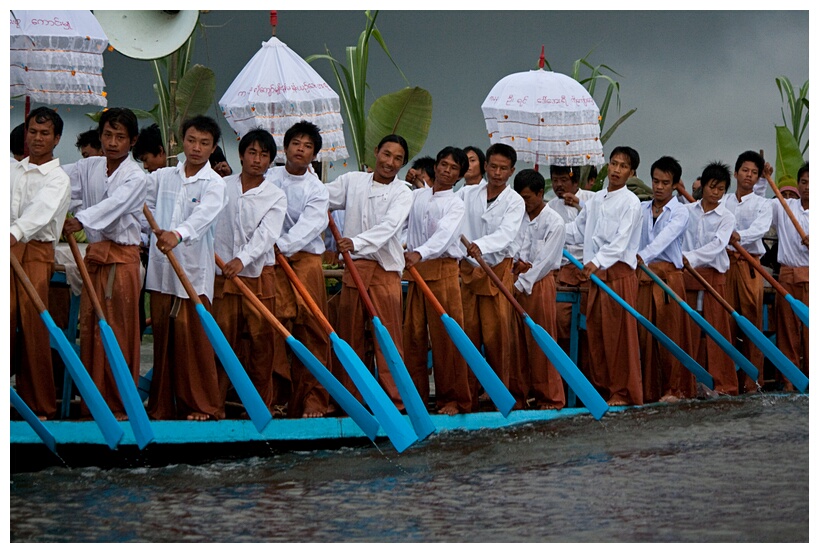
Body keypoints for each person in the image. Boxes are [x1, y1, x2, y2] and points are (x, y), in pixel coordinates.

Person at [61, 108, 146, 419]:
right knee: (94, 330)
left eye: (120, 137)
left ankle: (119, 403)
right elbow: (61, 185)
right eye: (108, 136)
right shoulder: (90, 166)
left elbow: (114, 205)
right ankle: (93, 402)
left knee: (119, 330)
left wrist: (79, 219)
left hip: (121, 261)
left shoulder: (136, 176)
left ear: (132, 141)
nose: (112, 142)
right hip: (96, 258)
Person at [144, 115, 227, 421]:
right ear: (181, 141)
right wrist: (150, 229)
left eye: (204, 143)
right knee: (164, 340)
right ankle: (162, 406)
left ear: (213, 147)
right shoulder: (164, 176)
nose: (196, 148)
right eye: (192, 140)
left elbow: (204, 216)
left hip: (192, 272)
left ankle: (202, 406)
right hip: (162, 271)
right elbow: (144, 203)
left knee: (194, 342)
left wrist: (176, 234)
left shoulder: (215, 185)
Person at [326, 134, 413, 409]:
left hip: (385, 270)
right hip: (354, 268)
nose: (390, 162)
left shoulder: (404, 192)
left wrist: (356, 242)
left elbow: (390, 226)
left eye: (397, 158)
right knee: (350, 335)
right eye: (386, 154)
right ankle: (352, 399)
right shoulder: (352, 181)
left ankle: (395, 401)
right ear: (376, 152)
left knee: (387, 338)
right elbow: (321, 197)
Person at [213, 128, 287, 416]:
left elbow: (266, 235)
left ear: (270, 161)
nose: (257, 159)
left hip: (257, 275)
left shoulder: (275, 195)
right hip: (221, 276)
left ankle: (259, 406)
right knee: (222, 340)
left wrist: (241, 261)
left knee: (261, 343)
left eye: (264, 155)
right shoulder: (221, 187)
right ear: (241, 155)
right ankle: (214, 404)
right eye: (252, 152)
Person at [564, 146, 643, 406]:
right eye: (613, 163)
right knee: (596, 334)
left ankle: (622, 392)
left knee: (619, 337)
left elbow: (621, 242)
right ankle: (602, 389)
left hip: (617, 276)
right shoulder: (596, 199)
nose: (616, 170)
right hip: (595, 276)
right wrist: (549, 229)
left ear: (631, 173)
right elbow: (577, 231)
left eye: (623, 166)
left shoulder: (631, 202)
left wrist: (596, 261)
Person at [266, 121, 333, 418]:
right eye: (296, 144)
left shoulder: (317, 189)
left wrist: (283, 245)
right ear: (286, 147)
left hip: (304, 262)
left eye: (308, 146)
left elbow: (311, 225)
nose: (301, 150)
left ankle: (313, 401)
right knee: (273, 329)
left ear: (314, 154)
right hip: (269, 261)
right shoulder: (268, 178)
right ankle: (275, 400)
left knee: (312, 331)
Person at [10, 107, 71, 419]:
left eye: (44, 133)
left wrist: (14, 233)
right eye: (33, 131)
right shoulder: (13, 170)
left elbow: (41, 211)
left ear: (56, 138)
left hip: (34, 251)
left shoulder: (59, 178)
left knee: (34, 326)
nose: (37, 138)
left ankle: (40, 405)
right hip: (7, 246)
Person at [403, 146, 472, 415]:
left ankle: (453, 400)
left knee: (447, 340)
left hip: (442, 270)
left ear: (459, 176)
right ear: (436, 166)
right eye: (443, 164)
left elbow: (444, 235)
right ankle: (416, 399)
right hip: (417, 271)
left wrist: (420, 252)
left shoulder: (455, 203)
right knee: (414, 337)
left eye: (453, 168)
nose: (446, 170)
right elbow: (403, 226)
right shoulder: (417, 196)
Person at [457, 143, 524, 410]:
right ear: (485, 166)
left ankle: (504, 396)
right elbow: (453, 220)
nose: (497, 173)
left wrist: (481, 245)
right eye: (493, 166)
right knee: (468, 333)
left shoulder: (514, 201)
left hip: (495, 271)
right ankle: (467, 398)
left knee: (498, 337)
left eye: (503, 169)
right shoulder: (466, 194)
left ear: (511, 171)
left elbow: (507, 234)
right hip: (468, 271)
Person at [635, 156, 696, 402]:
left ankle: (675, 389)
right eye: (656, 181)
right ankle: (648, 389)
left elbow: (666, 239)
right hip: (643, 276)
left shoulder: (680, 212)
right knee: (643, 334)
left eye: (665, 182)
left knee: (671, 334)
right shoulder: (640, 209)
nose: (659, 187)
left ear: (675, 185)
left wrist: (642, 256)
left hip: (668, 277)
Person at [510, 169, 566, 410]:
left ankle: (549, 398)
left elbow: (545, 262)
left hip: (538, 284)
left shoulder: (554, 222)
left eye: (527, 198)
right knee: (515, 343)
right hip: (513, 280)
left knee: (541, 341)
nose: (524, 203)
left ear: (540, 194)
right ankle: (519, 397)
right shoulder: (517, 217)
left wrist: (522, 282)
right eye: (520, 198)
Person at [681, 162, 738, 396]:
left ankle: (724, 384)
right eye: (712, 187)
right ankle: (688, 384)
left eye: (721, 189)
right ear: (703, 185)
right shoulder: (686, 212)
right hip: (689, 277)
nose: (715, 193)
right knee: (688, 330)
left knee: (717, 331)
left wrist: (690, 257)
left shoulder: (727, 217)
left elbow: (717, 245)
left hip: (713, 277)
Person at [723, 150, 772, 393]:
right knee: (726, 321)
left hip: (750, 265)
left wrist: (739, 236)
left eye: (754, 173)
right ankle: (728, 381)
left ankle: (754, 382)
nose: (749, 176)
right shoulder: (723, 201)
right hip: (725, 264)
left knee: (751, 322)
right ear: (736, 172)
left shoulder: (764, 204)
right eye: (745, 170)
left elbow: (760, 229)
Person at [547, 165, 595, 375]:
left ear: (575, 181)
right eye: (554, 180)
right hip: (564, 269)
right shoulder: (550, 206)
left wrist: (580, 205)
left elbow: (599, 223)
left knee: (591, 326)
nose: (558, 185)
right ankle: (567, 375)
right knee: (560, 322)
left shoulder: (592, 199)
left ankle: (590, 378)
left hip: (589, 267)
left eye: (563, 180)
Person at [768, 162, 808, 389]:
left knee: (811, 332)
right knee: (787, 330)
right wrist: (765, 180)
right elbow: (760, 207)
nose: (807, 188)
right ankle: (790, 381)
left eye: (812, 183)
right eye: (803, 182)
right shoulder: (785, 206)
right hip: (786, 275)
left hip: (812, 276)